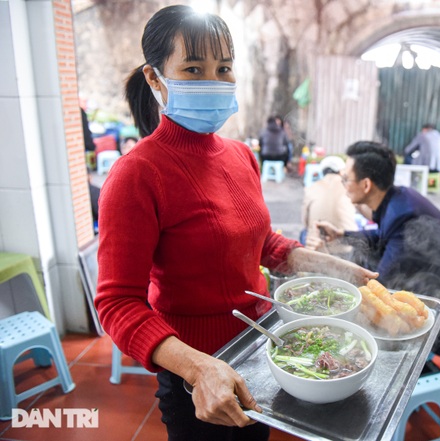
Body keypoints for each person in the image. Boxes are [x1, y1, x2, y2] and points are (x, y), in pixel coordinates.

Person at [93, 6, 377, 441]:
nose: (214, 79)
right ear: (155, 79)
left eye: (223, 68)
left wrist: (331, 268)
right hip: (193, 371)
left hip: (261, 345)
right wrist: (198, 366)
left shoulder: (241, 156)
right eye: (193, 68)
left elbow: (260, 243)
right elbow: (117, 304)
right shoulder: (136, 175)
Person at [316, 141, 440, 356]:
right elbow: (385, 236)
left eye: (346, 179)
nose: (344, 185)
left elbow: (380, 282)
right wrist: (341, 236)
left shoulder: (404, 217)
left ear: (366, 185)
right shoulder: (400, 199)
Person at [301, 156, 357, 258]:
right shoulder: (349, 187)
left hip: (316, 247)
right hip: (346, 246)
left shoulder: (311, 188)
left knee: (303, 233)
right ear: (341, 172)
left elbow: (304, 221)